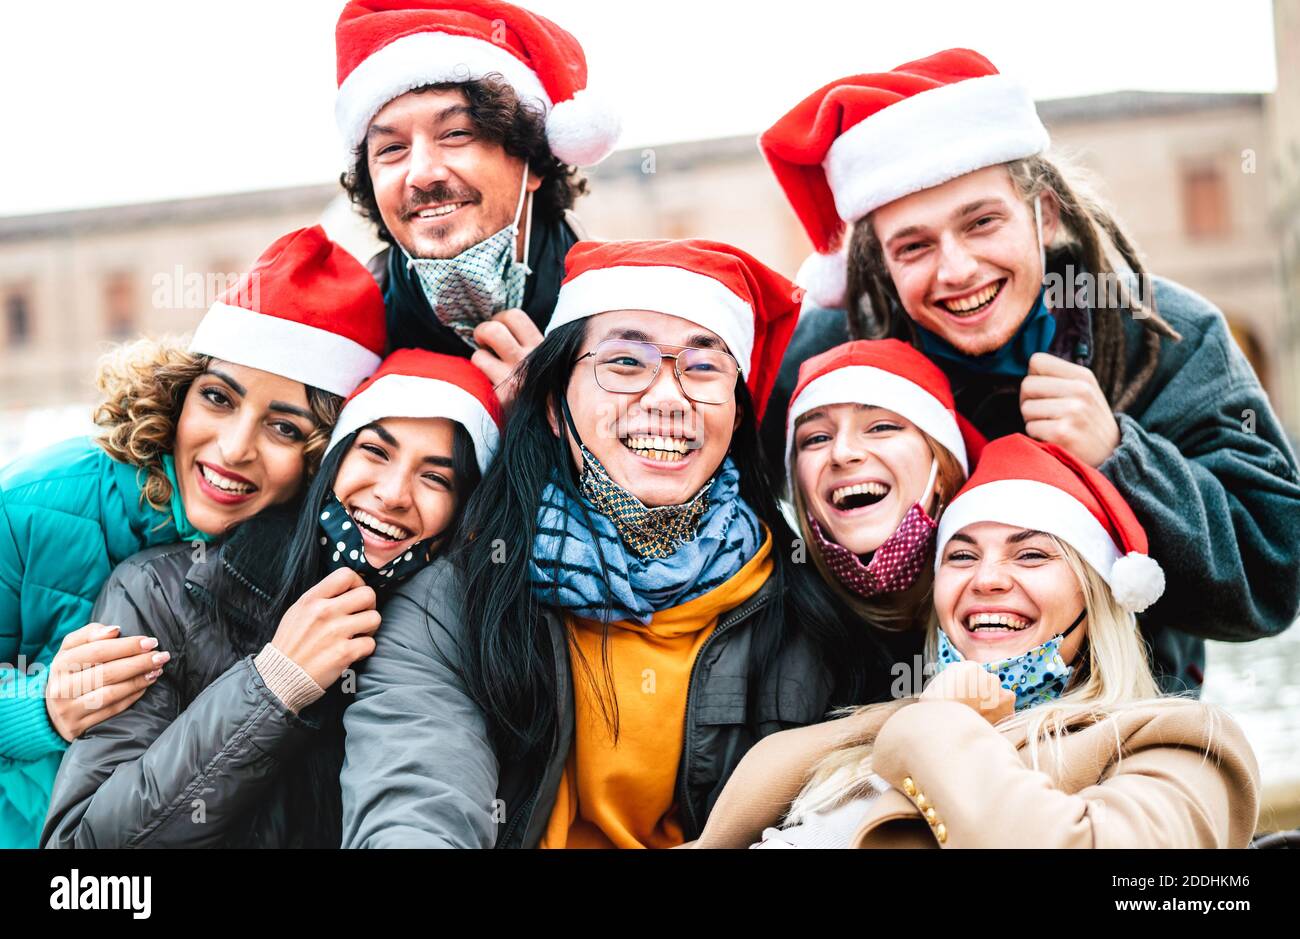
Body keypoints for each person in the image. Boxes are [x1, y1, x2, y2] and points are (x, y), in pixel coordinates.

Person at [757, 47, 1300, 693]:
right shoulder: (824, 354)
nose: (956, 270)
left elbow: (1274, 576)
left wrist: (1121, 456)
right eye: (915, 245)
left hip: (1120, 728)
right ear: (878, 255)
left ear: (1044, 212)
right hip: (895, 726)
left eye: (982, 222)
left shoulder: (1164, 335)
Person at [341, 239, 874, 848]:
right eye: (624, 363)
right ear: (551, 404)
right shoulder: (451, 606)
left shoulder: (809, 611)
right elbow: (413, 803)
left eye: (703, 367)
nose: (669, 398)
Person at [0, 226, 385, 848]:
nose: (233, 449)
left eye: (285, 429)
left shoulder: (314, 562)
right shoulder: (33, 504)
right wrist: (37, 707)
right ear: (179, 395)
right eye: (217, 398)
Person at [692, 434, 1260, 849]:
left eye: (1032, 554)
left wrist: (941, 726)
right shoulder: (870, 728)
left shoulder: (1180, 745)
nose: (985, 579)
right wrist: (920, 712)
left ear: (1097, 598)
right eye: (961, 556)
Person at [41, 350, 501, 848]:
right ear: (331, 462)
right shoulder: (158, 593)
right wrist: (273, 686)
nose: (392, 493)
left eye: (435, 478)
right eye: (375, 451)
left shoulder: (455, 636)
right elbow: (81, 851)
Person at [334, 0, 620, 401]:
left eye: (455, 134)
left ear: (532, 161)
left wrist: (557, 422)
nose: (421, 173)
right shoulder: (344, 341)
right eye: (392, 148)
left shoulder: (624, 318)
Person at [786, 339, 983, 691]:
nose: (842, 453)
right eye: (816, 438)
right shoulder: (778, 618)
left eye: (880, 427)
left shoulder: (1001, 598)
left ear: (942, 467)